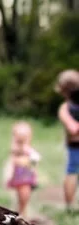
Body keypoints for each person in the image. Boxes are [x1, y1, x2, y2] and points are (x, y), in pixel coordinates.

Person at [5, 121, 40, 219]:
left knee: (24, 197)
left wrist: (29, 161)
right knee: (19, 198)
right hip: (18, 179)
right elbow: (12, 162)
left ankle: (22, 214)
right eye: (18, 138)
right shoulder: (15, 151)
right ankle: (20, 214)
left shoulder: (29, 151)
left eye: (24, 138)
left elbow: (34, 162)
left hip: (26, 179)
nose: (20, 141)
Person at [55, 69, 79, 210]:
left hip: (74, 144)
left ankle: (69, 206)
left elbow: (72, 128)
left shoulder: (65, 108)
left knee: (71, 172)